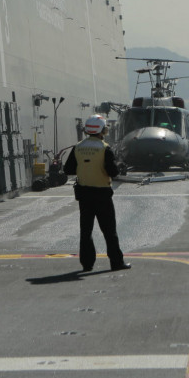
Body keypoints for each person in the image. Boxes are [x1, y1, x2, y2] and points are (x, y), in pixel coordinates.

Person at [64, 115, 129, 272]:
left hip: (84, 195)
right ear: (102, 130)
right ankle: (116, 262)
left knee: (85, 231)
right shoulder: (104, 148)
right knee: (109, 231)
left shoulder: (78, 147)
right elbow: (112, 171)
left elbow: (69, 169)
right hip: (102, 194)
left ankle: (87, 264)